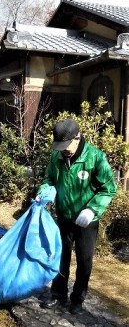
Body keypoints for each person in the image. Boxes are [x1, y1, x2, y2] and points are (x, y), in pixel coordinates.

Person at [37, 118, 117, 314]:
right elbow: (49, 179)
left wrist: (92, 210)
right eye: (60, 146)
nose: (63, 150)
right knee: (60, 257)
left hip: (86, 222)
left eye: (66, 145)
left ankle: (78, 300)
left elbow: (108, 189)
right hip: (64, 216)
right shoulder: (56, 157)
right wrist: (45, 190)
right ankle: (58, 295)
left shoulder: (96, 157)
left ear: (77, 137)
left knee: (84, 261)